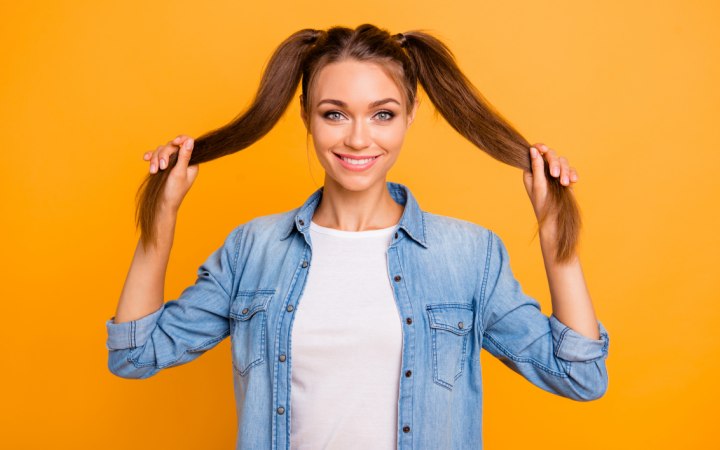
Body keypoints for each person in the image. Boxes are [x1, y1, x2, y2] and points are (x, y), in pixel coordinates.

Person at [106, 24, 610, 449]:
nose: (358, 138)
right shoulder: (252, 250)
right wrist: (162, 216)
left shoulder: (467, 255)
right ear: (305, 114)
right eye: (335, 113)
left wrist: (554, 233)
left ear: (411, 114)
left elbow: (579, 376)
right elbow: (135, 354)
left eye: (382, 114)